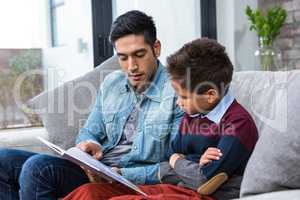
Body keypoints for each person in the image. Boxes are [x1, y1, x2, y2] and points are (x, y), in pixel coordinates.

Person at [0, 10, 183, 199]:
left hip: (127, 181)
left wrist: (121, 174)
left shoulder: (180, 92)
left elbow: (178, 164)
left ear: (157, 48)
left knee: (38, 168)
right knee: (2, 159)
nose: (131, 66)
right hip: (95, 171)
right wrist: (89, 144)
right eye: (123, 57)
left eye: (139, 54)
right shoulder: (112, 83)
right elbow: (89, 131)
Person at [62, 38, 258, 200]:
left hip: (206, 196)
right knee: (88, 193)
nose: (179, 103)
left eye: (183, 97)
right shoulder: (195, 113)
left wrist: (179, 163)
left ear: (210, 95)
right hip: (176, 187)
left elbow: (203, 183)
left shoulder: (237, 125)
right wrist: (183, 162)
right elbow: (171, 154)